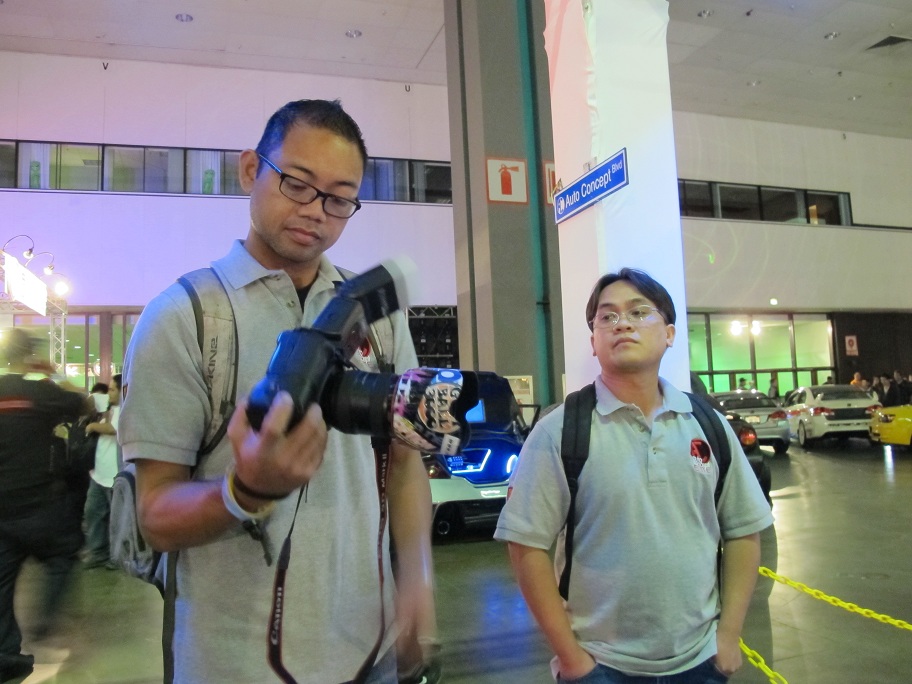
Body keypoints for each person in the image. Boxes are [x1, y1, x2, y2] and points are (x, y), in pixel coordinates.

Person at [119, 99, 437, 683]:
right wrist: (245, 490)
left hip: (371, 650)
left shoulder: (378, 316)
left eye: (339, 198)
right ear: (251, 170)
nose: (315, 211)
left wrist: (417, 580)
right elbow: (154, 516)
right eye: (297, 183)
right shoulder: (185, 317)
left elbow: (404, 460)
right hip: (233, 664)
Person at [494, 268, 773, 683]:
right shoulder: (560, 431)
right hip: (600, 665)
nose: (621, 323)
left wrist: (729, 636)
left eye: (639, 312)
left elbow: (743, 531)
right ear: (594, 341)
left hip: (701, 661)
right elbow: (526, 545)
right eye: (607, 317)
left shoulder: (707, 424)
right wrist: (572, 658)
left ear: (670, 333)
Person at [0, 329, 92, 682]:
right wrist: (52, 374)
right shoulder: (38, 391)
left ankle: (6, 654)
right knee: (62, 555)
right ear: (29, 355)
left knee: (2, 582)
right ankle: (43, 623)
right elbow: (84, 404)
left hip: (2, 507)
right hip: (40, 503)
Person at [82, 375, 121, 569]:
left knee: (116, 519)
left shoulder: (127, 409)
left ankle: (117, 556)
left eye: (113, 389)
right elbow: (88, 400)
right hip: (98, 473)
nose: (109, 393)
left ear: (123, 391)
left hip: (115, 475)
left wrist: (92, 426)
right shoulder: (107, 405)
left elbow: (113, 429)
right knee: (93, 512)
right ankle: (98, 552)